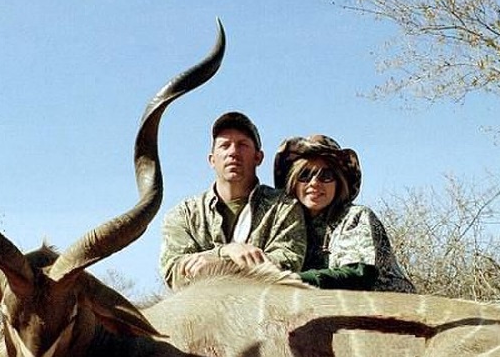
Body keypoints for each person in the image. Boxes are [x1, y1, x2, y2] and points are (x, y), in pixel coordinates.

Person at [160, 111, 306, 290]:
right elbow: (173, 272)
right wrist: (226, 252)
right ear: (212, 160)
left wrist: (216, 261)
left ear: (258, 157)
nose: (233, 152)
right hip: (201, 305)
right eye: (224, 145)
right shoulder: (184, 214)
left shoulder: (284, 207)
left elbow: (287, 264)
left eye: (242, 145)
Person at [273, 134, 415, 292]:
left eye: (326, 176)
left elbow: (358, 274)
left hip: (384, 304)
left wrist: (289, 280)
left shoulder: (356, 216)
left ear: (339, 183)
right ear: (293, 182)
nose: (314, 183)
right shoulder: (285, 226)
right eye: (304, 175)